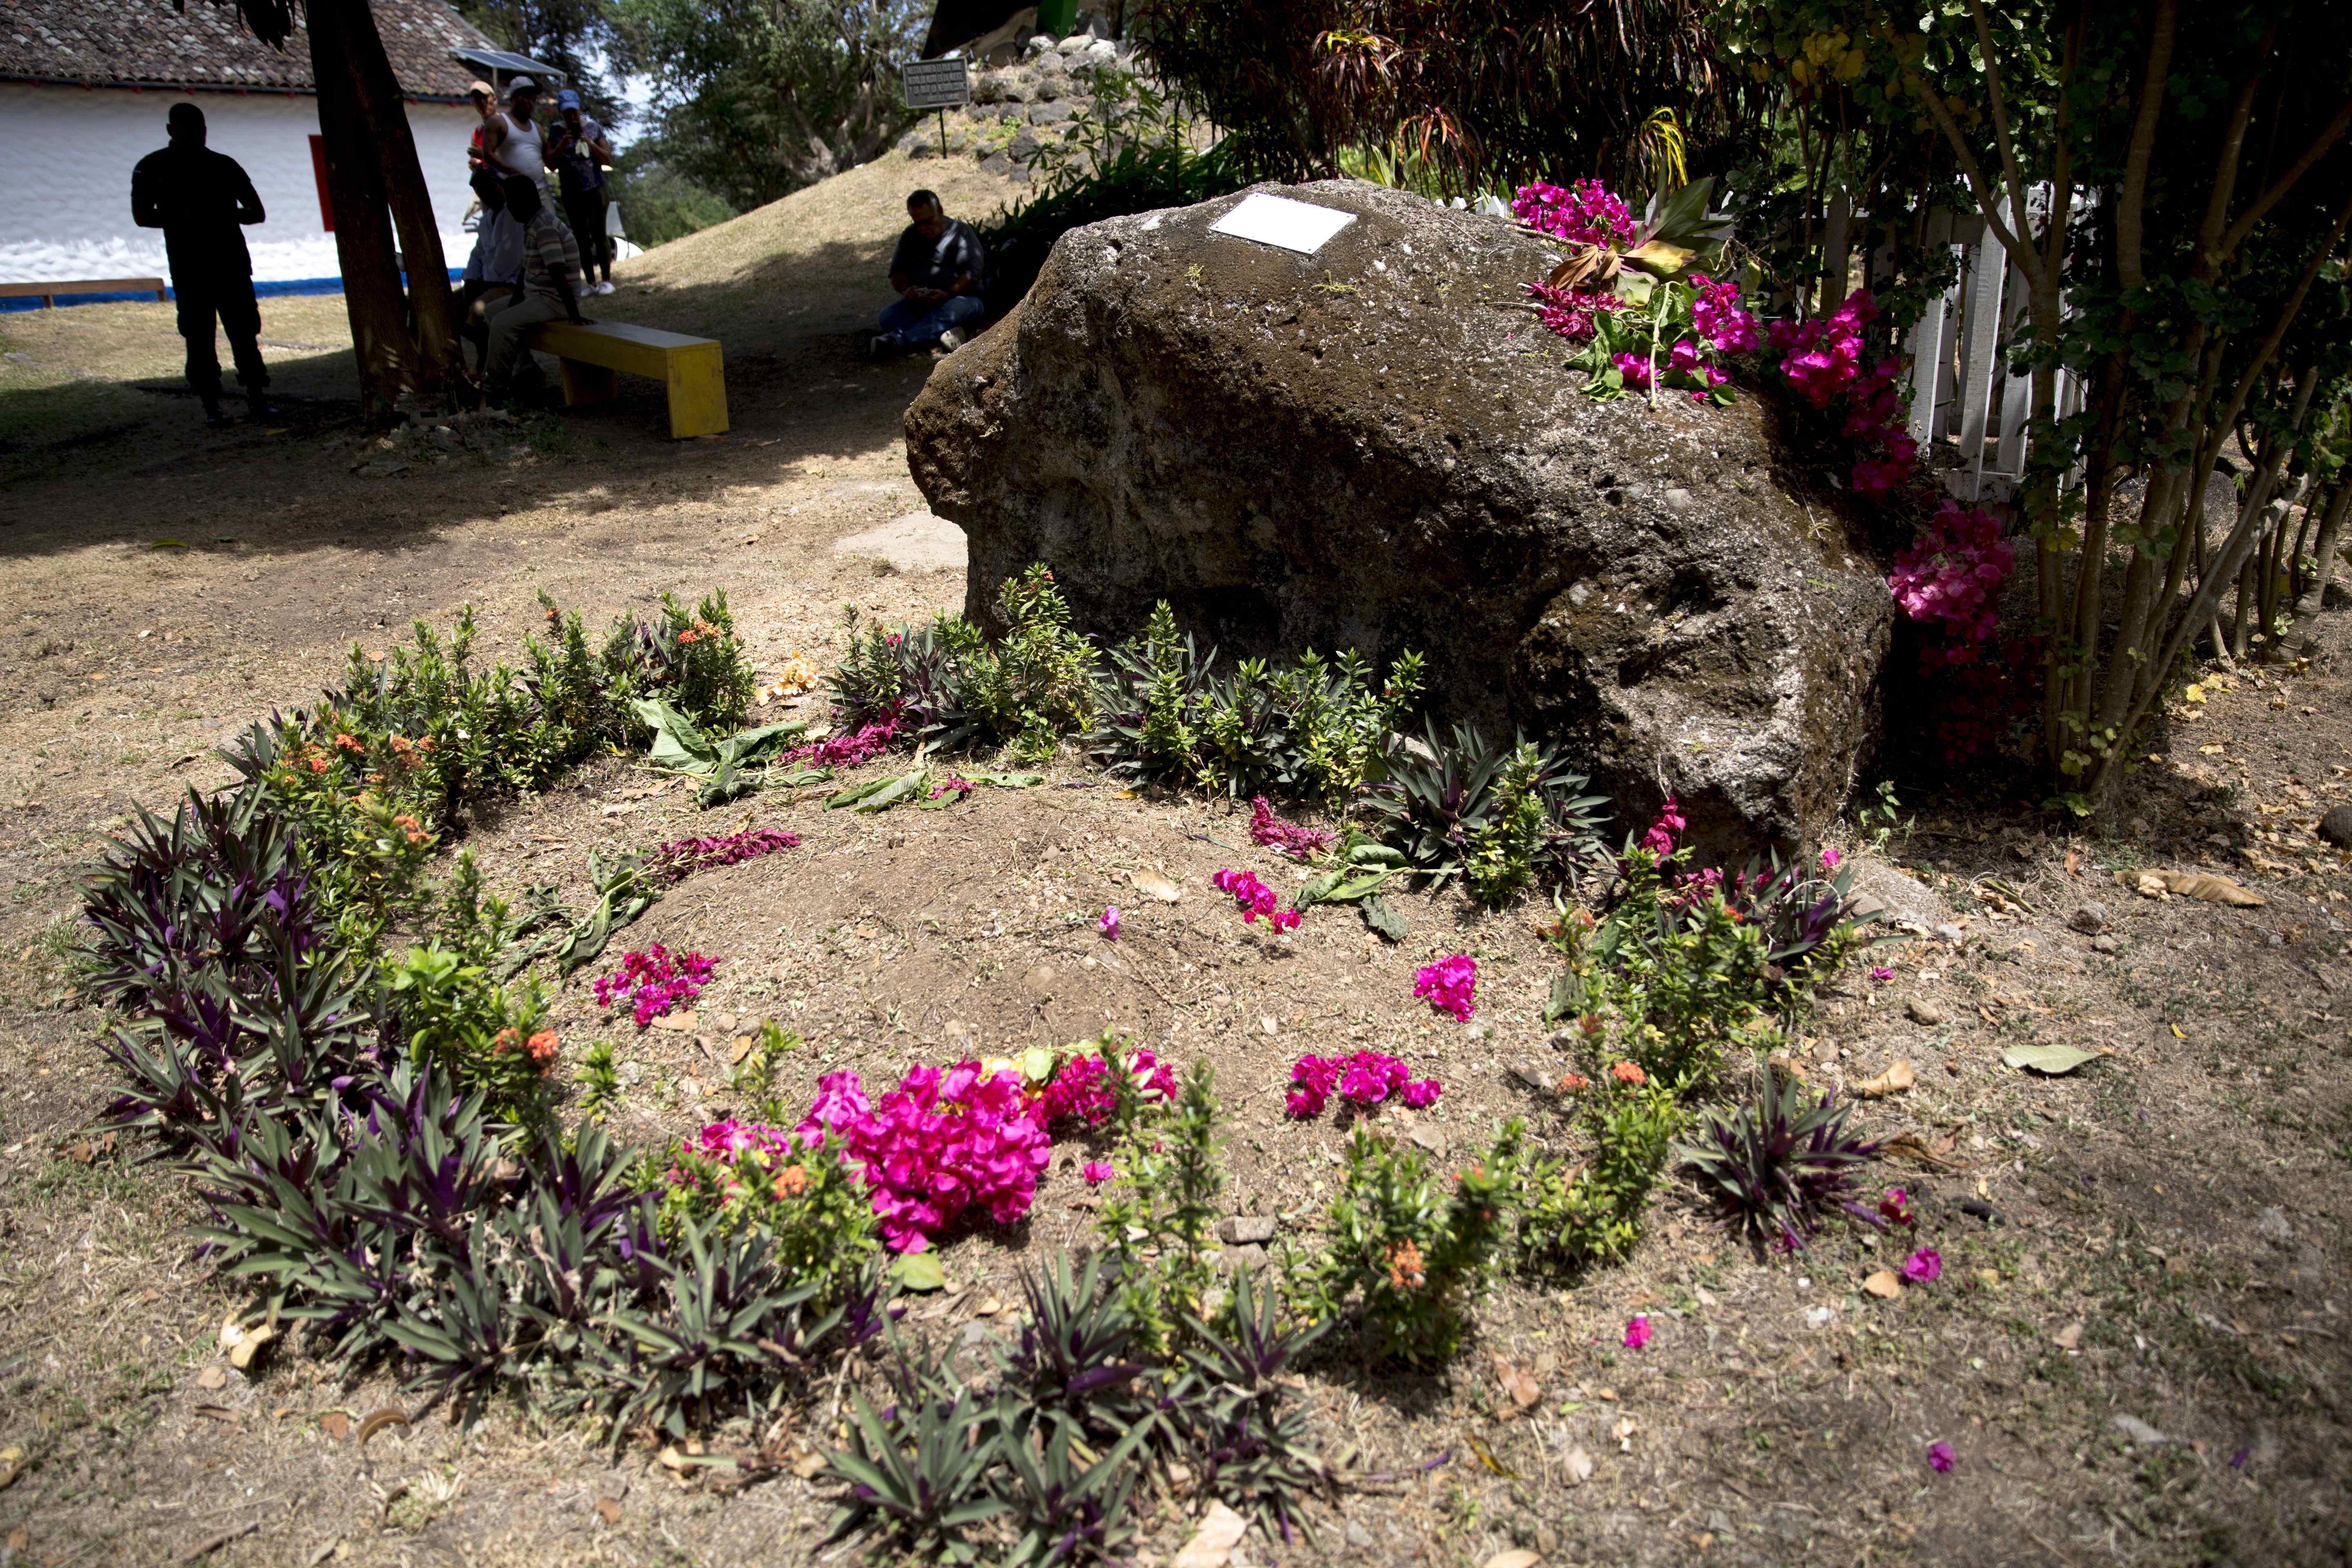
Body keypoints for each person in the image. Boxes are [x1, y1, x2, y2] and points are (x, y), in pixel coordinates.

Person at [131, 101, 271, 426]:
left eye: (200, 130)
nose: (195, 136)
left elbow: (257, 212)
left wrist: (222, 214)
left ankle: (257, 398)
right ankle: (211, 405)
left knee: (245, 333)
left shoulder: (223, 165)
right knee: (199, 337)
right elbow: (142, 216)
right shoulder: (152, 167)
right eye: (187, 130)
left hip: (231, 263)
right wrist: (186, 217)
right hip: (189, 266)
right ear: (171, 131)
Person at [481, 175, 588, 404]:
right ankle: (525, 367)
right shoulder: (532, 225)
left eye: (511, 201)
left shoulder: (545, 227)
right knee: (492, 312)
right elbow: (525, 271)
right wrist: (515, 302)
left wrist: (574, 314)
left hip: (553, 300)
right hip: (537, 296)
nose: (509, 207)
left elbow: (559, 274)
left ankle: (495, 389)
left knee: (501, 324)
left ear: (523, 200)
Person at [871, 190, 985, 359]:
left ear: (940, 211)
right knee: (887, 317)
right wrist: (907, 290)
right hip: (923, 303)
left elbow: (971, 274)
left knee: (953, 311)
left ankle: (897, 342)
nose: (924, 229)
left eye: (929, 222)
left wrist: (948, 293)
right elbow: (897, 273)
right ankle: (944, 333)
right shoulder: (910, 235)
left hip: (961, 299)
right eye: (918, 224)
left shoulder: (961, 233)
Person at [546, 89, 616, 295]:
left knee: (599, 234)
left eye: (575, 112)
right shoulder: (556, 132)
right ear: (561, 113)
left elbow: (607, 158)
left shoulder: (593, 129)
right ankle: (591, 282)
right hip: (571, 193)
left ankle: (607, 280)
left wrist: (589, 142)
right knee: (581, 238)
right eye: (567, 113)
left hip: (595, 189)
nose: (572, 117)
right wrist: (563, 144)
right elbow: (550, 163)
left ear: (580, 110)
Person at [455, 168, 525, 375]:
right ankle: (481, 349)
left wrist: (485, 283)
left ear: (498, 187)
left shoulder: (514, 215)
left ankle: (492, 358)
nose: (483, 195)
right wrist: (469, 279)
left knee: (478, 310)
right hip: (487, 283)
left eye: (486, 189)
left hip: (511, 284)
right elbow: (478, 252)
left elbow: (511, 256)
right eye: (479, 191)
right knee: (452, 306)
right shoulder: (487, 220)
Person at [478, 78, 547, 190]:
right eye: (526, 97)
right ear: (514, 98)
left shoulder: (538, 128)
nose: (530, 103)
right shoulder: (498, 122)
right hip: (514, 190)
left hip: (542, 190)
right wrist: (514, 173)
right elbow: (488, 155)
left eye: (533, 100)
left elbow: (549, 161)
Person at [463, 79, 500, 172]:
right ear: (473, 104)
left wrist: (485, 155)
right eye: (477, 99)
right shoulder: (476, 133)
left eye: (485, 98)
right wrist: (474, 163)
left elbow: (514, 160)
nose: (482, 103)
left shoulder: (507, 125)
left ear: (495, 100)